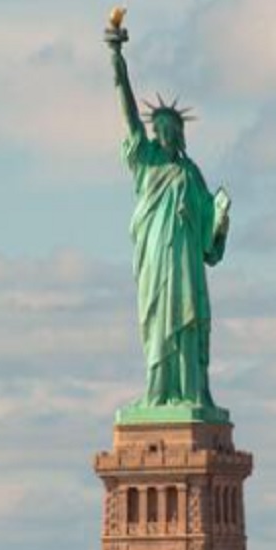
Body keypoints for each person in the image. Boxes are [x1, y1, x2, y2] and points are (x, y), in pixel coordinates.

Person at [107, 31, 230, 414]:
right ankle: (158, 391)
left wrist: (220, 217)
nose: (164, 135)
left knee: (188, 321)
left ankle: (191, 392)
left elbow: (210, 238)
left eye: (170, 130)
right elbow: (129, 116)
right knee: (158, 320)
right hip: (156, 256)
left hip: (186, 262)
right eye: (159, 129)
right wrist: (117, 62)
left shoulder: (190, 173)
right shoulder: (147, 162)